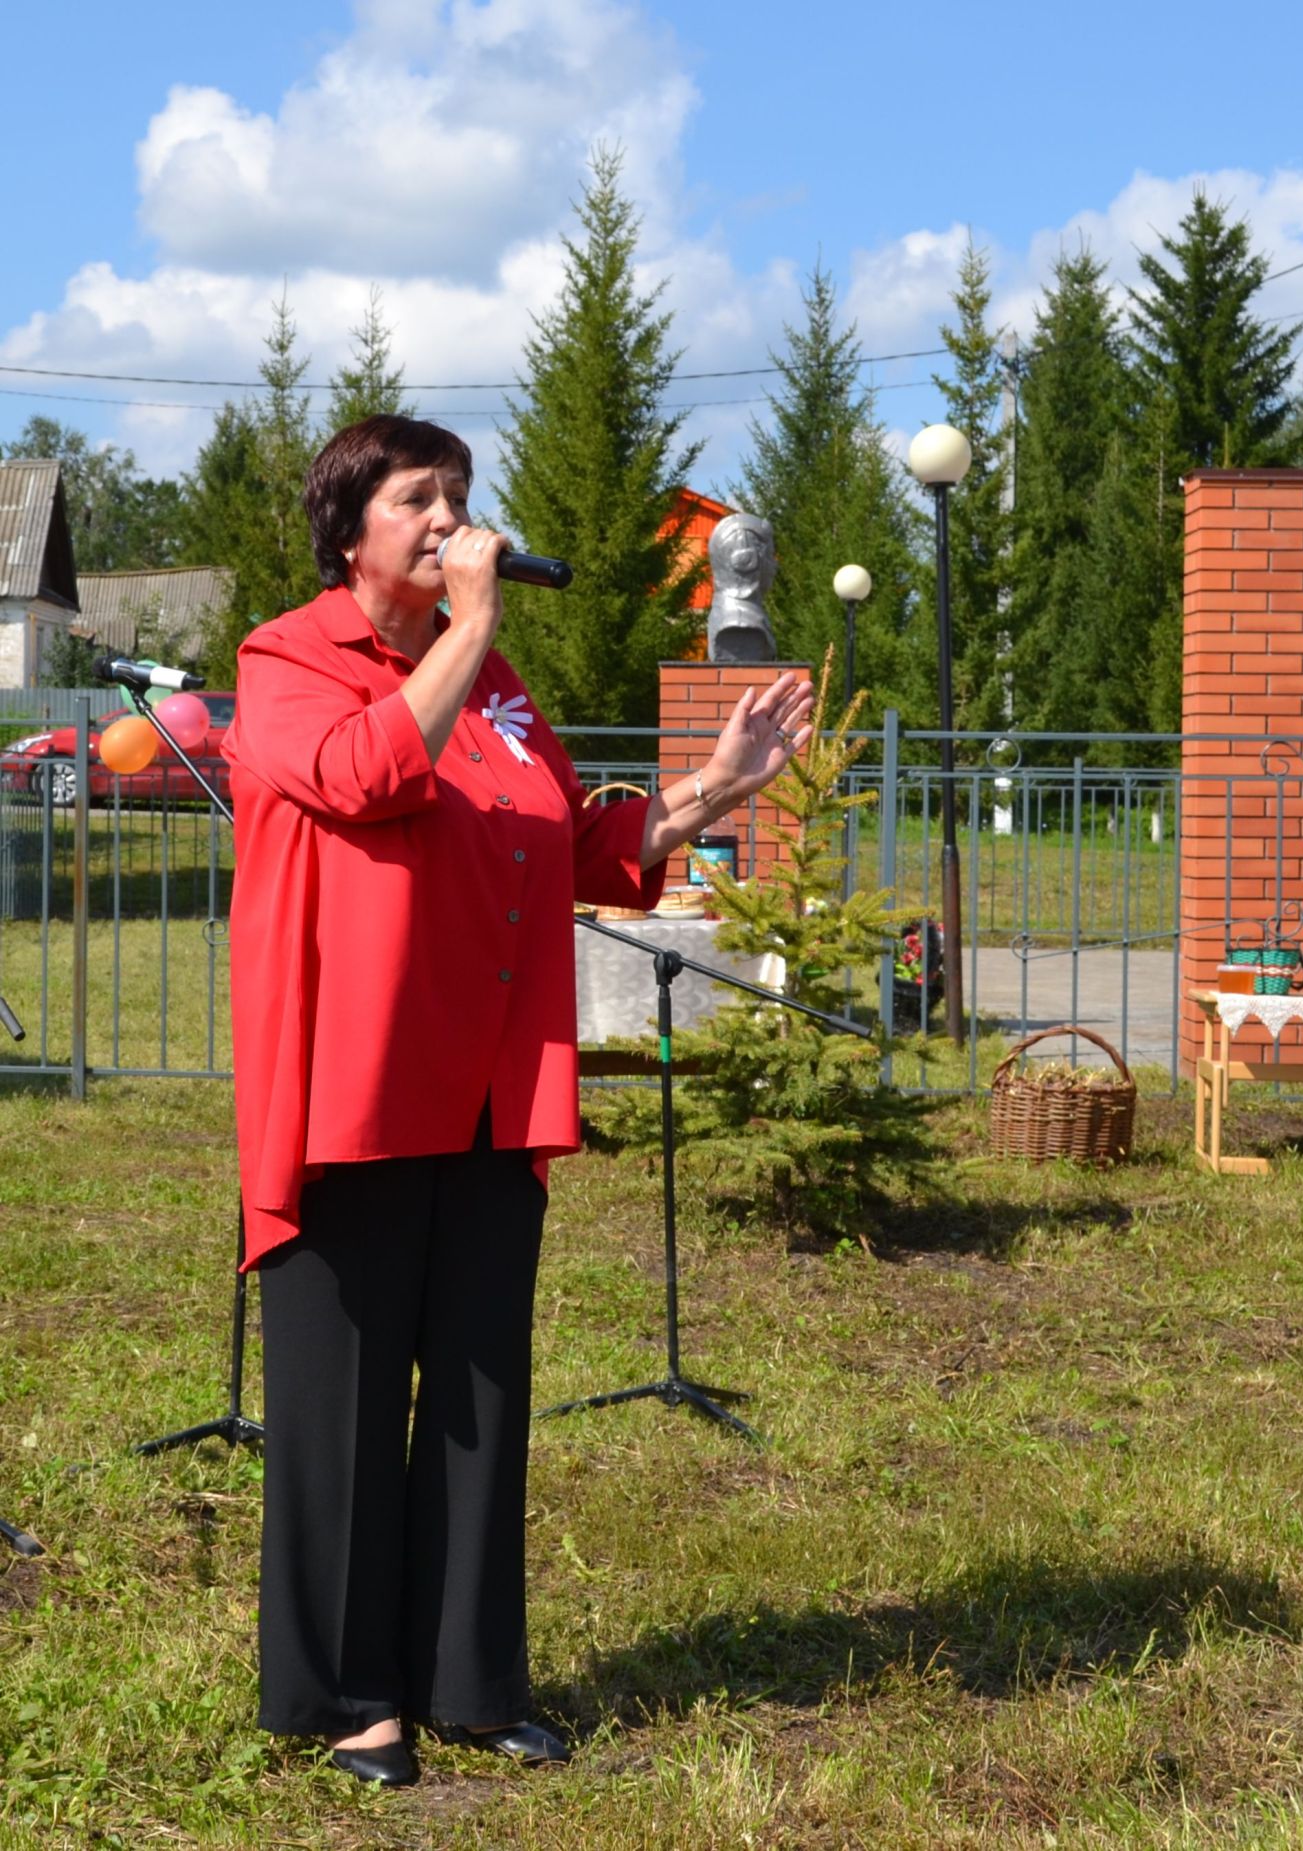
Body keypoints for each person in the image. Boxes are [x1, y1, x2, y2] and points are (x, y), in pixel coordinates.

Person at [222, 415, 811, 1787]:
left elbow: (574, 841)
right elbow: (366, 777)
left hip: (490, 1085)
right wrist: (467, 630)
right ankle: (341, 1694)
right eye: (421, 499)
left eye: (461, 498)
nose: (449, 519)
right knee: (349, 1407)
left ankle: (469, 1682)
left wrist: (709, 791)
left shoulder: (491, 686)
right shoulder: (287, 659)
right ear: (351, 526)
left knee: (481, 1394)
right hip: (352, 1091)